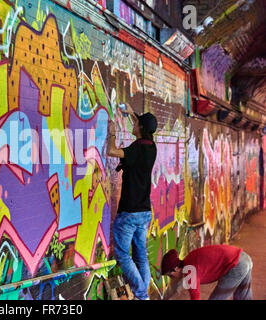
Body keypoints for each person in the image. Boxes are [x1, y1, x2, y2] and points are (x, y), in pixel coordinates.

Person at [107, 103, 158, 300]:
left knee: (122, 255)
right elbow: (142, 125)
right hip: (144, 212)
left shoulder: (136, 150)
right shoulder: (151, 147)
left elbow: (112, 151)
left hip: (129, 213)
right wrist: (131, 113)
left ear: (141, 129)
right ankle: (142, 296)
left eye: (136, 124)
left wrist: (111, 132)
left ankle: (141, 295)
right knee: (141, 255)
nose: (133, 126)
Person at [161, 245, 253, 300]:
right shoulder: (189, 258)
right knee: (243, 296)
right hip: (244, 257)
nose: (172, 278)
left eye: (170, 275)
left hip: (236, 265)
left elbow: (195, 297)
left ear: (176, 268)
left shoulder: (188, 271)